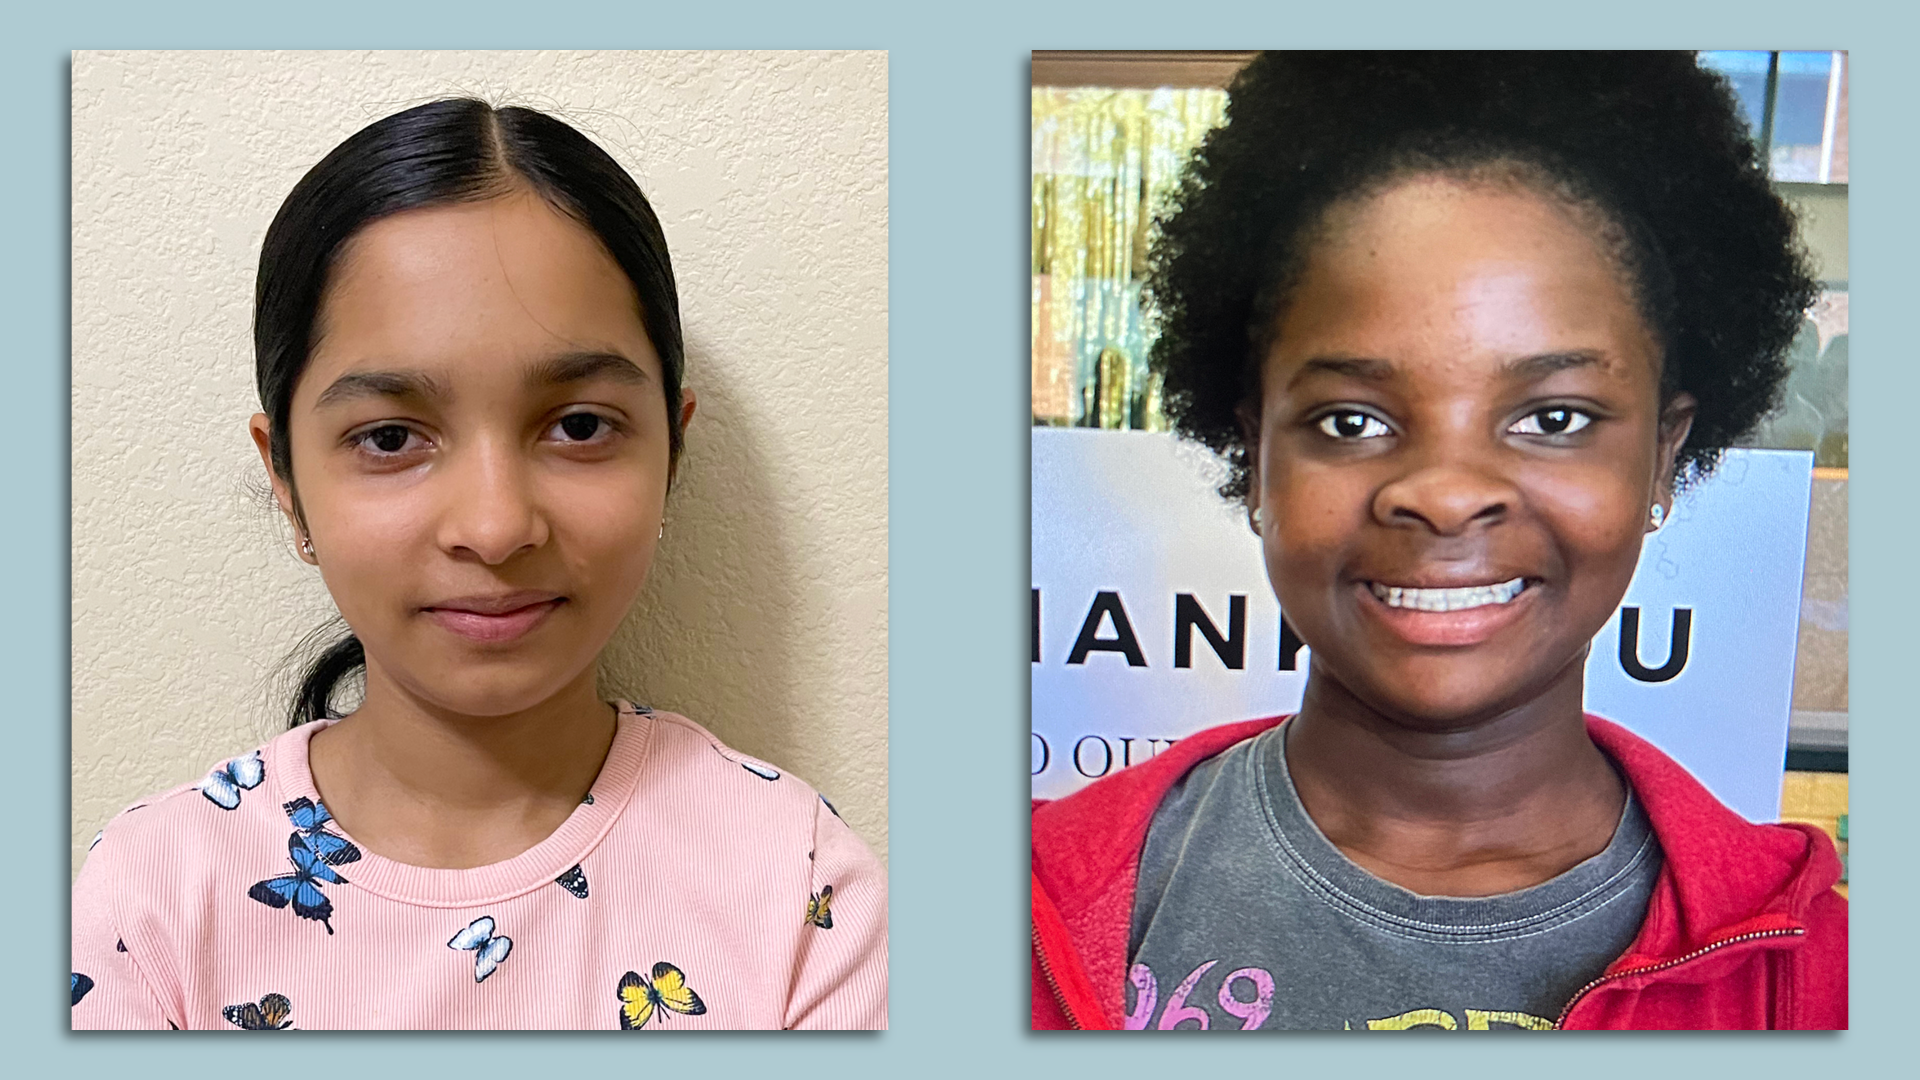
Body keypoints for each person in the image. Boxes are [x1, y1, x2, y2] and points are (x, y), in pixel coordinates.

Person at [1030, 52, 1845, 1031]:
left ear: (1663, 457)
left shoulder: (1824, 982)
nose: (1449, 498)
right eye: (1351, 421)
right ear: (1257, 457)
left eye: (1553, 418)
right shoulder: (1028, 913)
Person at [72, 99, 886, 1030]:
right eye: (390, 437)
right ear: (286, 479)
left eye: (579, 426)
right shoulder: (153, 903)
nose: (496, 528)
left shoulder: (798, 888)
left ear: (671, 452)